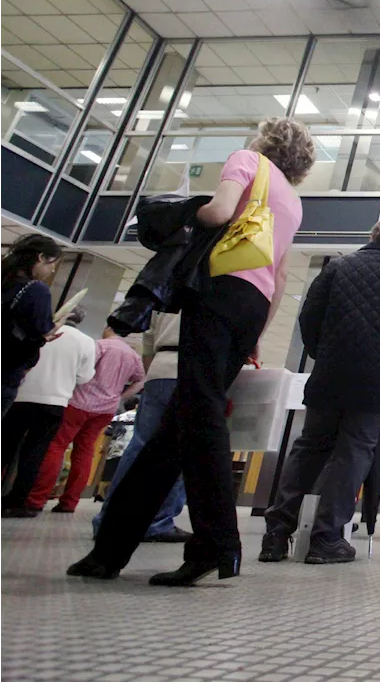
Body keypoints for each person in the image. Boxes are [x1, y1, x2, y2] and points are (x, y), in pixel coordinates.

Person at [70, 117, 314, 586]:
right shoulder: (293, 200)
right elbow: (280, 274)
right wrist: (259, 331)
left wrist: (185, 212)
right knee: (176, 428)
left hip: (219, 290)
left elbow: (220, 214)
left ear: (265, 141)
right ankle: (109, 551)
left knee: (199, 417)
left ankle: (218, 544)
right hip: (253, 307)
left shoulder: (247, 161)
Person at [261, 219, 380, 564]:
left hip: (330, 372)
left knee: (309, 448)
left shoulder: (338, 266)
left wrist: (322, 351)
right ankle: (326, 538)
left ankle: (276, 534)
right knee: (353, 452)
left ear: (371, 238)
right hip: (375, 380)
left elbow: (309, 315)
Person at [25, 326, 144, 515]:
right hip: (105, 410)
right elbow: (140, 380)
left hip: (78, 403)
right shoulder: (133, 356)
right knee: (85, 451)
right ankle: (69, 502)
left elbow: (83, 371)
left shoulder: (98, 346)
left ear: (108, 328)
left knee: (57, 446)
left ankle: (36, 499)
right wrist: (120, 397)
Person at [93, 312, 190, 543]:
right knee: (182, 448)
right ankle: (157, 521)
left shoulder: (173, 285)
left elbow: (148, 339)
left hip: (159, 368)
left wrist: (152, 374)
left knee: (139, 446)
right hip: (192, 368)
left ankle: (109, 519)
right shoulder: (224, 283)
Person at [0, 307, 96, 518]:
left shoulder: (40, 331)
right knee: (35, 452)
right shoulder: (87, 342)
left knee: (5, 446)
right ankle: (18, 501)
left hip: (21, 395)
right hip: (55, 401)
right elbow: (84, 378)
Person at [0, 234, 63, 419]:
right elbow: (39, 332)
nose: (51, 271)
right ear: (41, 257)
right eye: (52, 264)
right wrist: (51, 330)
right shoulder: (36, 290)